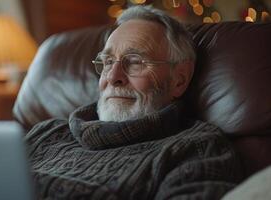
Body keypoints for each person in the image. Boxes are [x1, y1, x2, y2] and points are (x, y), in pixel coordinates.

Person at [25, 5, 244, 200]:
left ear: (180, 79)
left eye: (136, 62)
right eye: (108, 61)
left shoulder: (196, 149)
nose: (113, 77)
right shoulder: (47, 132)